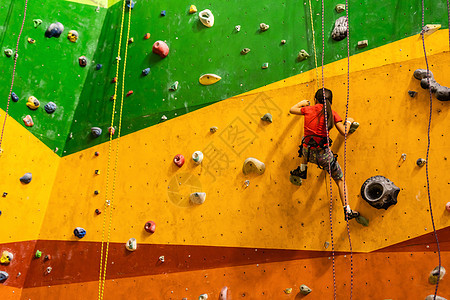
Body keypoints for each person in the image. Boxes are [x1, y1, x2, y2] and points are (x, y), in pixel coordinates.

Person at [289, 88, 360, 221]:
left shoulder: (308, 110)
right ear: (330, 101)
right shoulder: (332, 113)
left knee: (306, 143)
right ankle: (347, 210)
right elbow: (344, 132)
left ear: (315, 99)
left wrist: (302, 102)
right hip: (323, 156)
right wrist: (349, 121)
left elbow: (292, 109)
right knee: (340, 180)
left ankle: (303, 169)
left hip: (308, 153)